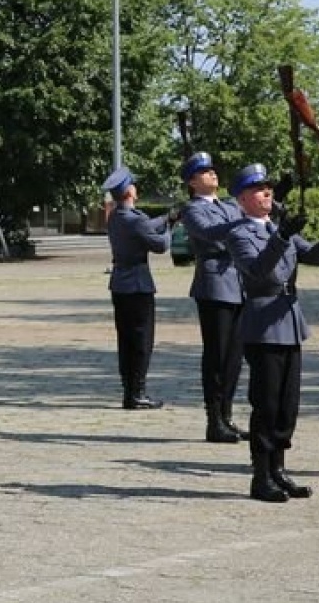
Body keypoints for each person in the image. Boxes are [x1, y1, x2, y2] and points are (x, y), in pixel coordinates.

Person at [225, 163, 319, 504]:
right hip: (262, 323)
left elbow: (314, 257)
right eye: (259, 188)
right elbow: (259, 271)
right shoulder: (239, 233)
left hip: (290, 321)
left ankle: (279, 469)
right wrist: (281, 236)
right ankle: (261, 476)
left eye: (269, 187)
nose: (267, 192)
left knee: (288, 406)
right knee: (266, 403)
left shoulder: (278, 228)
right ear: (243, 198)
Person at [179, 151, 249, 443]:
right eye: (205, 172)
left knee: (234, 356)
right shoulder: (193, 209)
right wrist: (241, 227)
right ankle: (214, 418)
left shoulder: (229, 205)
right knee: (217, 355)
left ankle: (227, 414)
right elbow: (210, 235)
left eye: (213, 170)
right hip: (215, 286)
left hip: (238, 284)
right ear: (192, 182)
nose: (213, 175)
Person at [103, 166, 171, 410]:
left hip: (120, 283)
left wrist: (165, 218)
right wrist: (170, 228)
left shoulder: (115, 218)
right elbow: (160, 245)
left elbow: (142, 225)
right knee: (142, 340)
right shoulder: (136, 220)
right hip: (138, 285)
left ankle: (128, 390)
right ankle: (138, 392)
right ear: (129, 191)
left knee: (126, 340)